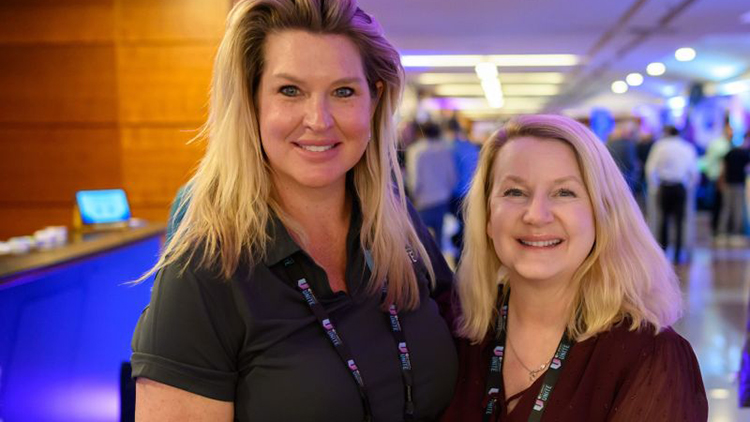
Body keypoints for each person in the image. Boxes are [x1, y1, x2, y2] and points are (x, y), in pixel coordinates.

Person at [130, 1, 458, 421]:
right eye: (290, 91)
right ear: (252, 101)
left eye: (343, 91)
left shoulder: (396, 223)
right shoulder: (206, 268)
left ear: (374, 101)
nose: (319, 120)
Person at [442, 115, 707, 421]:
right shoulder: (452, 334)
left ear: (602, 215)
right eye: (515, 192)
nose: (536, 215)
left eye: (564, 193)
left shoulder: (651, 356)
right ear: (488, 216)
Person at [645, 126, 699, 263]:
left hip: (664, 186)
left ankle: (663, 252)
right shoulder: (687, 147)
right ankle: (678, 253)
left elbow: (650, 168)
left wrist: (654, 187)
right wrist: (687, 186)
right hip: (680, 187)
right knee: (680, 221)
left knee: (663, 220)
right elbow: (694, 172)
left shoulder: (660, 146)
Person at [406, 120, 457, 244]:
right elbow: (452, 178)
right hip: (441, 201)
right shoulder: (445, 149)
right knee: (439, 242)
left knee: (421, 243)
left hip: (423, 202)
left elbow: (414, 180)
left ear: (420, 133)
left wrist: (413, 197)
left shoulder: (416, 151)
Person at [718, 131, 750, 246]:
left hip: (728, 184)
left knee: (726, 209)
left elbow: (723, 169)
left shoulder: (729, 153)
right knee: (737, 210)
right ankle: (735, 234)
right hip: (739, 185)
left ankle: (722, 233)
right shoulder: (744, 154)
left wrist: (721, 182)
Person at [703, 122, 733, 238]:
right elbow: (722, 165)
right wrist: (721, 180)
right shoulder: (723, 145)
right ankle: (717, 230)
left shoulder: (715, 143)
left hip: (713, 176)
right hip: (719, 178)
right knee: (720, 205)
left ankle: (715, 229)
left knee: (716, 204)